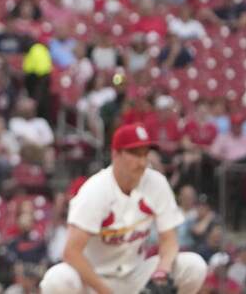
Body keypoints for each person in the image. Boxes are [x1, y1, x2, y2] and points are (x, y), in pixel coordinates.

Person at [40, 123, 208, 294]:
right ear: (116, 154)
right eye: (135, 154)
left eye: (145, 154)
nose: (142, 162)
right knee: (57, 280)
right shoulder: (95, 191)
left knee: (193, 266)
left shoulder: (156, 183)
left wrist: (161, 272)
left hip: (135, 275)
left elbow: (169, 240)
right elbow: (71, 252)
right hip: (93, 279)